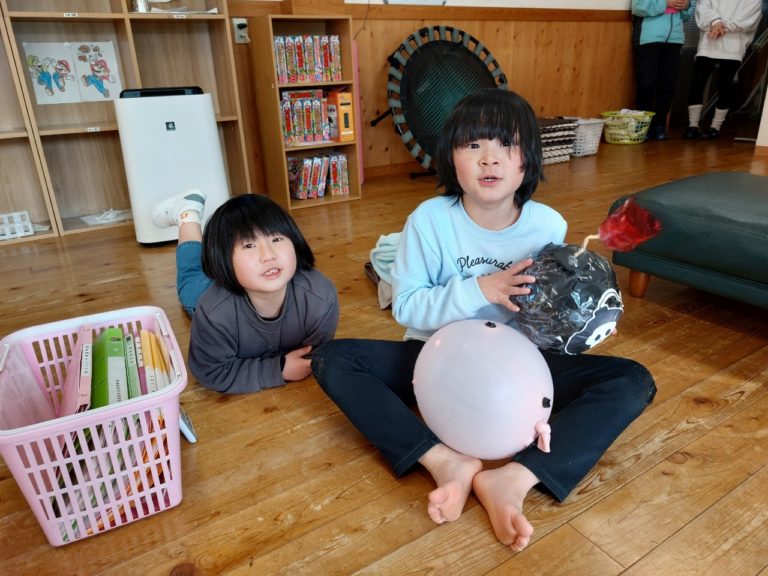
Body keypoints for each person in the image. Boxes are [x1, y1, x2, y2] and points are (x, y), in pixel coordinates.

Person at [311, 89, 656, 551]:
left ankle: (514, 478)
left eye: (506, 145)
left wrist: (577, 319)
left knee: (633, 380)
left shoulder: (548, 225)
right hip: (434, 358)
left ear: (527, 160)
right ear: (450, 159)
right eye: (473, 145)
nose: (489, 158)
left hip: (520, 363)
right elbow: (407, 306)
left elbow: (546, 314)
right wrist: (482, 289)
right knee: (333, 359)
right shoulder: (429, 220)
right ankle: (443, 461)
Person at [152, 190, 339, 393]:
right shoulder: (214, 312)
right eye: (249, 245)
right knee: (191, 275)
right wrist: (278, 369)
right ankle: (187, 215)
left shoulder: (320, 297)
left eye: (276, 239)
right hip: (214, 291)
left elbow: (315, 354)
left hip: (239, 283)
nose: (268, 255)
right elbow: (211, 371)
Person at [683, 0, 763, 139]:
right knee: (697, 83)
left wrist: (721, 26)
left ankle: (715, 127)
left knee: (725, 86)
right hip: (708, 42)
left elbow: (749, 20)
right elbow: (702, 7)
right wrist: (715, 22)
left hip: (733, 45)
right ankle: (693, 126)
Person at [631, 0, 695, 141]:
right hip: (649, 38)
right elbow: (638, 7)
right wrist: (666, 3)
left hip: (675, 39)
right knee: (646, 84)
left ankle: (659, 125)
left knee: (668, 85)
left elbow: (686, 15)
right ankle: (643, 126)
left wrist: (686, 5)